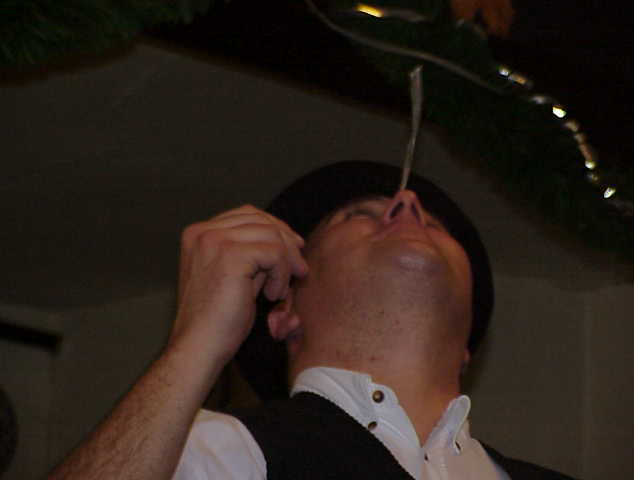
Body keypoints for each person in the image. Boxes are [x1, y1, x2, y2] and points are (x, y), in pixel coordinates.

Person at [49, 161, 577, 480]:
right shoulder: (218, 450)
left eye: (434, 223)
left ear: (466, 342)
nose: (408, 202)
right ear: (284, 311)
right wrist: (195, 341)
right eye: (358, 214)